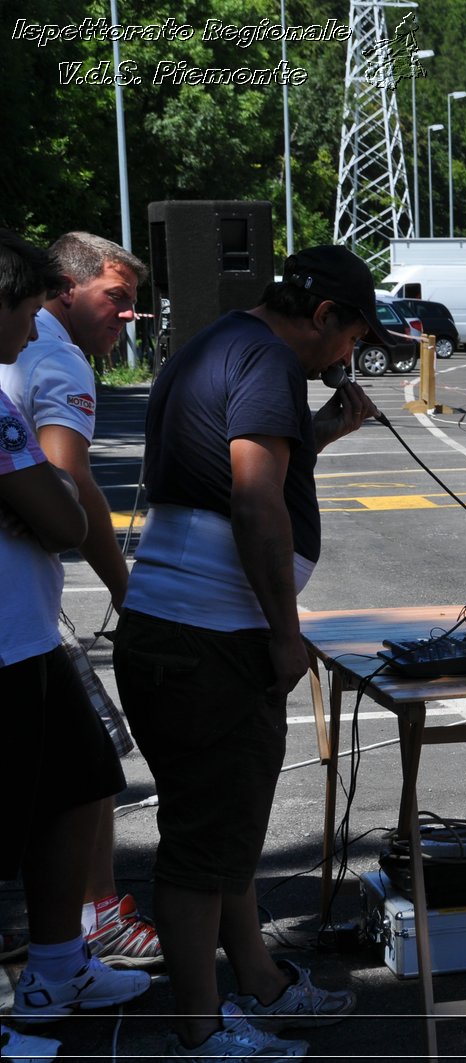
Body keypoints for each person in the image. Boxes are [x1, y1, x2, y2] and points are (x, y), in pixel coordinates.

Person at [111, 245, 387, 1058]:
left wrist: (322, 432)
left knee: (221, 831)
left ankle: (259, 980)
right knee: (202, 849)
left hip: (173, 631)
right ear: (325, 315)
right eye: (351, 340)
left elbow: (229, 471)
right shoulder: (270, 360)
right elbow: (255, 499)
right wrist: (282, 632)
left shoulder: (221, 340)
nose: (346, 360)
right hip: (213, 639)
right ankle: (200, 1030)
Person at [0, 229, 151, 1057]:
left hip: (22, 622)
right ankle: (63, 960)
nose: (127, 318)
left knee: (85, 772)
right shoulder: (51, 365)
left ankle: (60, 965)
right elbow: (66, 498)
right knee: (62, 785)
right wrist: (129, 591)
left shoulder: (25, 359)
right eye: (114, 299)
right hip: (12, 631)